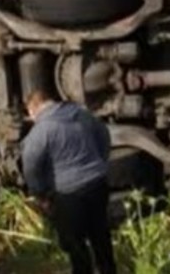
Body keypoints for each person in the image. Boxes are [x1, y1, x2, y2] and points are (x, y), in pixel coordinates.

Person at [21, 90, 116, 274]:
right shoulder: (82, 114)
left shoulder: (41, 131)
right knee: (101, 235)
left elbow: (31, 167)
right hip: (97, 184)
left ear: (33, 109)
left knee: (75, 244)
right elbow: (104, 135)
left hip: (69, 195)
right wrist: (100, 162)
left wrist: (40, 194)